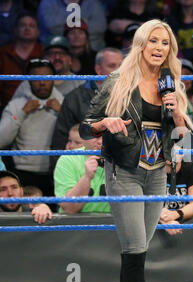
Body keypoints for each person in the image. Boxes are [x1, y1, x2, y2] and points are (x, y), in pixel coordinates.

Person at [79, 19, 192, 282]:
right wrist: (105, 123)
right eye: (153, 41)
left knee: (139, 249)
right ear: (140, 44)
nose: (159, 47)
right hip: (124, 170)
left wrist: (176, 109)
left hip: (157, 173)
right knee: (135, 246)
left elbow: (183, 133)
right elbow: (86, 127)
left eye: (165, 43)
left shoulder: (172, 84)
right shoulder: (118, 81)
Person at [50, 47, 123, 169]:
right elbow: (60, 140)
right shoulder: (75, 98)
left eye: (121, 66)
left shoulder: (132, 94)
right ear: (98, 70)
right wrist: (59, 171)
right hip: (84, 166)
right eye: (112, 66)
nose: (119, 71)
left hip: (120, 164)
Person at [0, 59, 63, 198]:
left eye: (47, 78)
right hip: (22, 173)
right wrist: (21, 114)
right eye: (36, 78)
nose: (42, 82)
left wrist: (62, 113)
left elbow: (79, 137)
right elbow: (1, 140)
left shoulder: (64, 103)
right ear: (27, 80)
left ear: (54, 80)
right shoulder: (16, 106)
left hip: (55, 171)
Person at [54, 131, 110, 214]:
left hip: (113, 224)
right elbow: (69, 209)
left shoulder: (123, 159)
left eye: (106, 136)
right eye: (96, 135)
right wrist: (87, 177)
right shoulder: (68, 159)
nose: (100, 141)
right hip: (75, 224)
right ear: (84, 136)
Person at [0, 12, 42, 113]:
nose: (27, 28)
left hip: (39, 107)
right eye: (22, 25)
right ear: (15, 30)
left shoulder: (45, 53)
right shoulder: (2, 53)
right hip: (6, 108)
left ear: (38, 31)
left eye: (31, 26)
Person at [37, 0, 107, 51]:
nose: (76, 35)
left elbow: (100, 27)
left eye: (80, 32)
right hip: (56, 50)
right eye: (72, 32)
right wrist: (84, 21)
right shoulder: (48, 2)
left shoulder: (93, 3)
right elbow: (51, 26)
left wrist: (66, 24)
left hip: (93, 50)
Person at [159, 160, 193, 236]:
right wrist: (163, 219)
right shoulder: (152, 170)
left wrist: (174, 214)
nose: (172, 152)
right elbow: (142, 204)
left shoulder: (191, 168)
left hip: (185, 229)